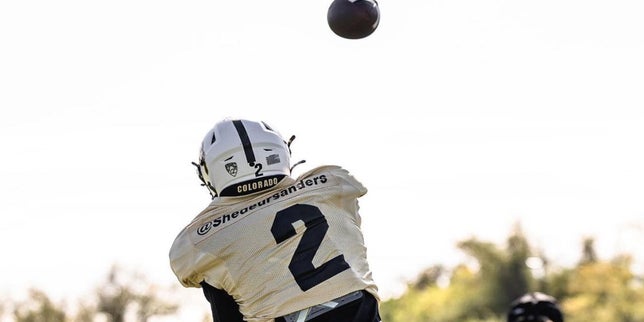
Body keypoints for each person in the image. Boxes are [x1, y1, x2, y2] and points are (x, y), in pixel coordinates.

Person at [169, 118, 381, 322]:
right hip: (359, 310)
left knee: (216, 267)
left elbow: (188, 271)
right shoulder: (331, 181)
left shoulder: (201, 235)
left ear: (209, 172)